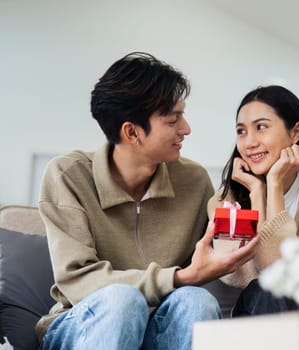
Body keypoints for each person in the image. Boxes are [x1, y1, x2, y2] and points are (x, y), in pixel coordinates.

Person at [36, 52, 258, 350]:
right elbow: (78, 283)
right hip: (81, 323)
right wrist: (180, 277)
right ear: (132, 132)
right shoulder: (68, 175)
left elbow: (227, 255)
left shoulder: (193, 180)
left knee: (197, 300)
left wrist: (257, 186)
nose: (186, 129)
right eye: (173, 119)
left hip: (161, 324)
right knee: (122, 300)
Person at [207, 85, 299, 316]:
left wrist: (273, 185)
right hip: (250, 312)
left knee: (280, 290)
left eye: (261, 127)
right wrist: (256, 192)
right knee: (266, 290)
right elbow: (241, 274)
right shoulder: (225, 202)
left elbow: (287, 273)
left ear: (295, 133)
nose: (250, 142)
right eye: (241, 131)